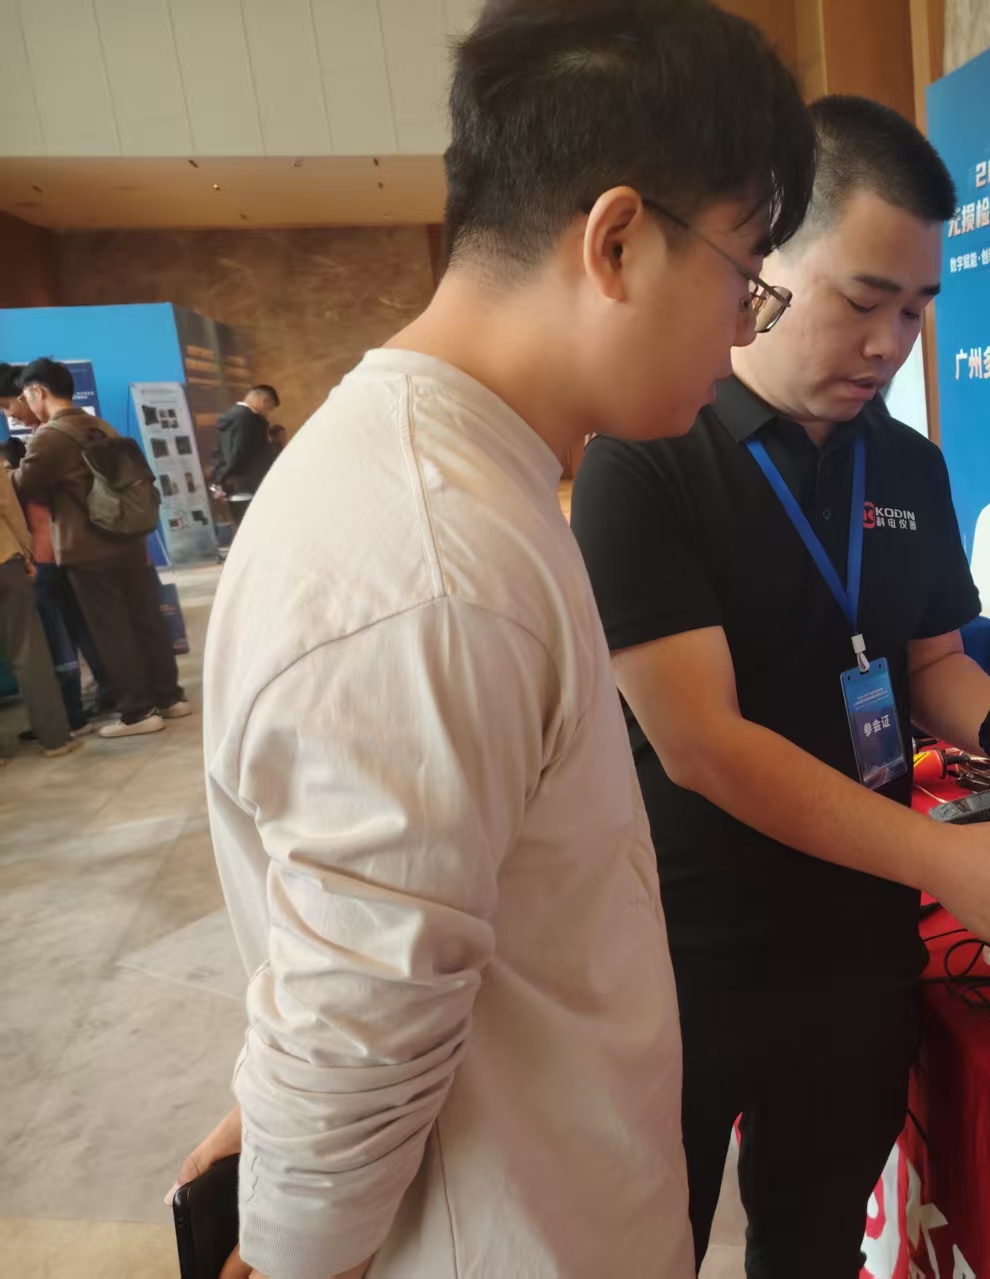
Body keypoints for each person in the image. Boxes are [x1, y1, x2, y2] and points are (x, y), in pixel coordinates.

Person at [171, 2, 815, 1277]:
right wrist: (294, 1246)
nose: (747, 327)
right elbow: (358, 1024)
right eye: (744, 272)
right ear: (617, 241)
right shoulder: (434, 563)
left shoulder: (472, 480)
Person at [571, 95, 990, 1276]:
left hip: (856, 944)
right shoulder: (646, 451)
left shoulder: (907, 465)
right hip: (682, 951)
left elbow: (928, 663)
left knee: (812, 1244)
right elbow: (700, 742)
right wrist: (945, 860)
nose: (888, 345)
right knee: (641, 1246)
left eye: (915, 309)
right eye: (862, 300)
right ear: (764, 261)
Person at [14, 358, 186, 738]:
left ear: (38, 391)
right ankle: (169, 697)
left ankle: (137, 713)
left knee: (112, 631)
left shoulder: (51, 436)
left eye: (26, 394)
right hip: (128, 541)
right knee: (146, 621)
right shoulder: (99, 425)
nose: (25, 403)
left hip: (88, 549)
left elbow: (24, 484)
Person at [1, 446, 81, 759]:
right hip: (5, 561)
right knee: (28, 651)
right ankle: (55, 738)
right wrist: (27, 554)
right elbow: (9, 510)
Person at [210, 384, 279, 527]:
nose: (268, 413)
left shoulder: (233, 417)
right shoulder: (247, 419)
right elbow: (238, 452)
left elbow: (220, 452)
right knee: (258, 528)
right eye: (270, 408)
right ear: (264, 401)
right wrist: (222, 477)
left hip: (237, 487)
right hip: (250, 486)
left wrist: (220, 478)